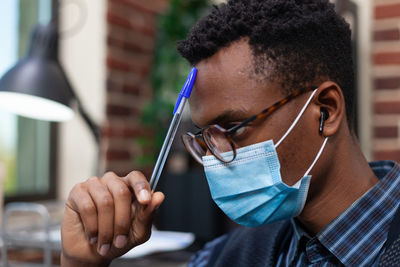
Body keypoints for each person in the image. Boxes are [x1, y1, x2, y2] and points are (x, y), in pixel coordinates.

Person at [61, 0, 400, 266]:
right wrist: (81, 263)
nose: (215, 159)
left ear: (325, 111)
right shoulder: (229, 256)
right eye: (206, 137)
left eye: (234, 128)